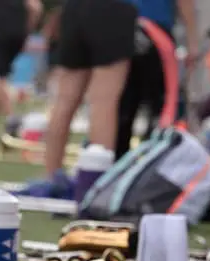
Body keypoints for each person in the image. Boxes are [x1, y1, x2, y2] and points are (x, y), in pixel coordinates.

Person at [24, 0, 137, 197]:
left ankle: (51, 176)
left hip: (74, 9)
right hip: (113, 11)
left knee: (64, 101)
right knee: (103, 102)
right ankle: (96, 184)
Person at [114, 0, 199, 159]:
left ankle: (115, 165)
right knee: (160, 107)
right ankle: (152, 162)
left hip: (121, 29)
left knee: (121, 106)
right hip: (155, 33)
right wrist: (192, 40)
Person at [0, 0, 42, 140]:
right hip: (19, 34)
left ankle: (11, 117)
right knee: (0, 77)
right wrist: (28, 29)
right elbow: (36, 7)